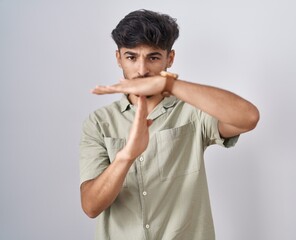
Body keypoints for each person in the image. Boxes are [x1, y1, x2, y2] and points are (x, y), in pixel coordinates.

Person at [79, 9, 259, 240]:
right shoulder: (99, 123)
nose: (142, 70)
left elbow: (248, 117)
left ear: (169, 59)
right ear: (118, 58)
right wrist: (126, 156)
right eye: (131, 57)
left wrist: (169, 86)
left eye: (153, 57)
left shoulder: (193, 111)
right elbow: (91, 206)